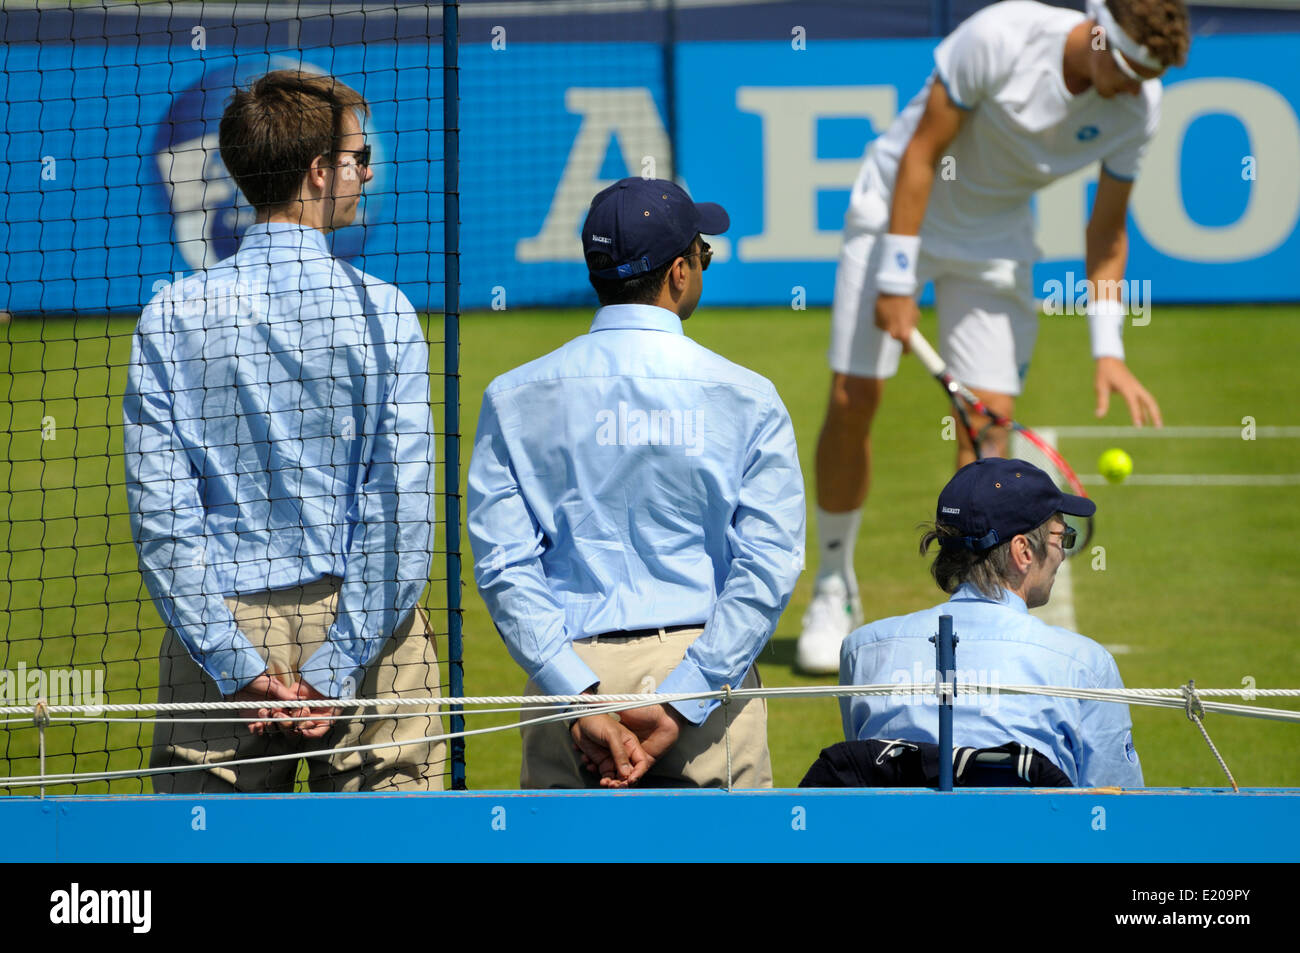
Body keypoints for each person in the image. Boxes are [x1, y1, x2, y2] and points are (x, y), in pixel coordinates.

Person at [797, 0, 1190, 673]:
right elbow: (922, 153)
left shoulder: (1137, 105)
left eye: (1145, 77)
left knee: (986, 432)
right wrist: (897, 277)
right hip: (897, 212)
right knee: (852, 396)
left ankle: (968, 617)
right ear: (1098, 27)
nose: (1131, 87)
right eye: (1124, 67)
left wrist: (1110, 347)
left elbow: (1107, 234)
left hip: (995, 243)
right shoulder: (1002, 36)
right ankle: (833, 583)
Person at [125, 70, 443, 792]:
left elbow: (164, 520)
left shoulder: (170, 317)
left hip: (222, 628)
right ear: (319, 171)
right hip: (369, 630)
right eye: (358, 159)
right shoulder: (387, 313)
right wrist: (339, 664)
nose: (366, 173)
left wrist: (232, 663)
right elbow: (401, 511)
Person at [467, 177, 805, 788]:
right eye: (703, 253)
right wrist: (686, 695)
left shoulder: (513, 397)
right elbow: (769, 564)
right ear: (679, 272)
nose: (704, 263)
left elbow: (503, 566)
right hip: (706, 678)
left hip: (567, 677)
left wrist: (577, 694)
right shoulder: (748, 397)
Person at [839, 458, 1144, 788]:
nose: (1062, 554)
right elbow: (1116, 808)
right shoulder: (1087, 665)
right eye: (1062, 537)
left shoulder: (863, 650)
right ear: (1023, 551)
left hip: (897, 838)